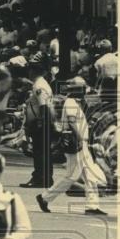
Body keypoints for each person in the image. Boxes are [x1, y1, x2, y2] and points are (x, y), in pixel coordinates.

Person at [36, 77, 108, 217]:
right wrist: (80, 138)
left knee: (89, 176)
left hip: (81, 143)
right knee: (71, 176)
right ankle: (45, 198)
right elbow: (71, 121)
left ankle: (92, 206)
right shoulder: (70, 102)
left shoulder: (74, 102)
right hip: (76, 143)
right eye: (81, 88)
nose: (84, 90)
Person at [21, 53, 55, 188]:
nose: (29, 71)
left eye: (31, 68)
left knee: (41, 153)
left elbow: (44, 107)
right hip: (40, 122)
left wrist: (41, 124)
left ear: (35, 70)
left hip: (41, 123)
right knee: (41, 152)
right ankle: (43, 178)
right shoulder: (39, 83)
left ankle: (41, 178)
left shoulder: (39, 86)